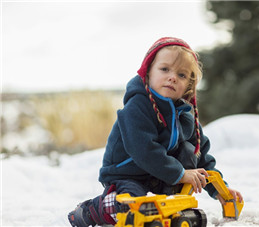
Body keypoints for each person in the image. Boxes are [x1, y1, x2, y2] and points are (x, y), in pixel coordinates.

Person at [68, 37, 243, 227]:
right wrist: (180, 174)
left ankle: (163, 212)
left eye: (182, 75)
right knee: (132, 204)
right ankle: (92, 211)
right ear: (148, 72)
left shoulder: (185, 116)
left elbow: (201, 157)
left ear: (188, 86)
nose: (173, 77)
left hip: (162, 178)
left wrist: (219, 189)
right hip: (129, 174)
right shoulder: (137, 107)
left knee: (187, 150)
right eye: (165, 69)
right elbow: (144, 149)